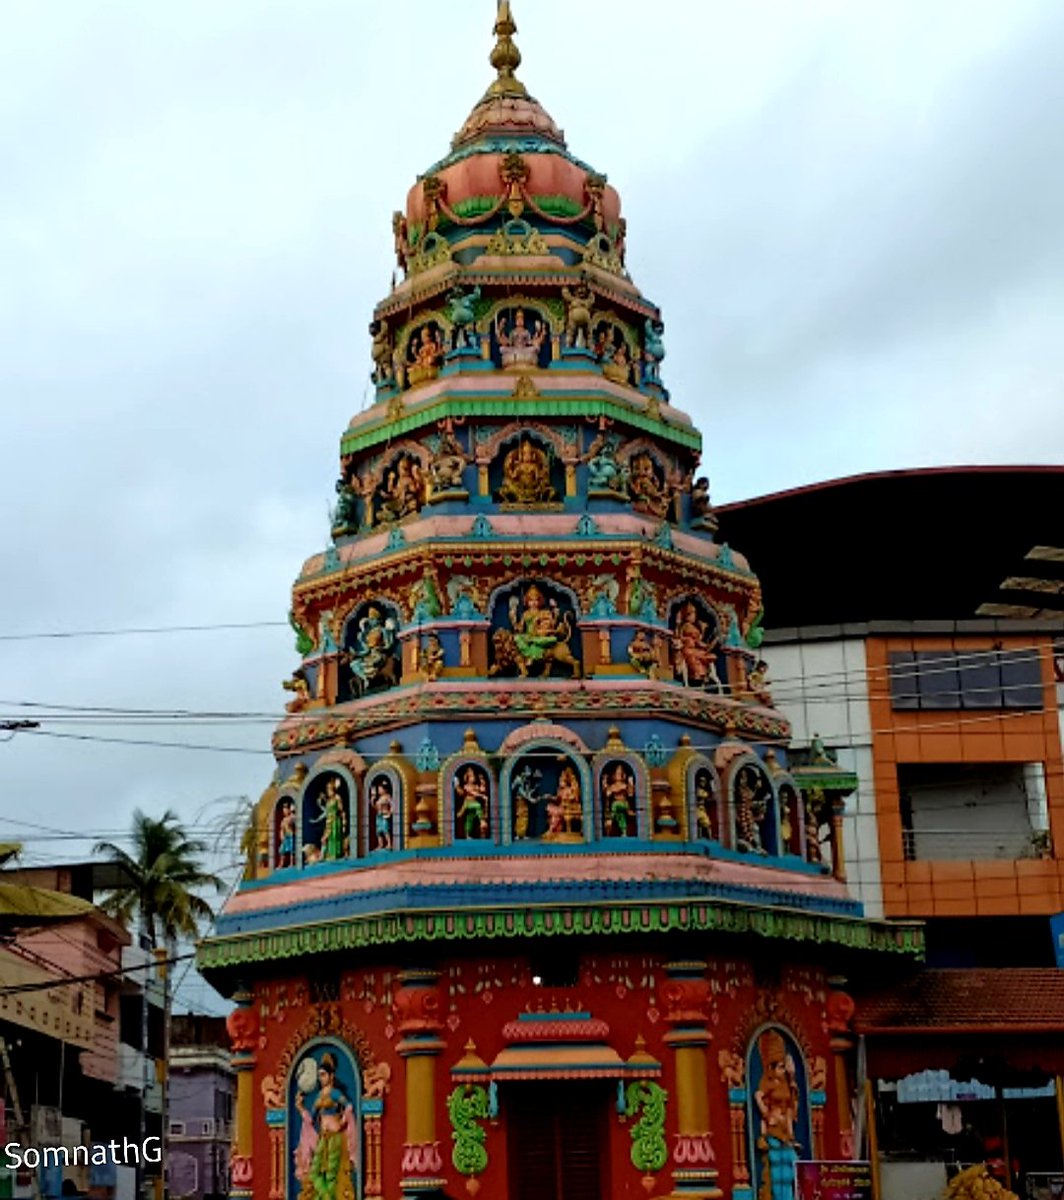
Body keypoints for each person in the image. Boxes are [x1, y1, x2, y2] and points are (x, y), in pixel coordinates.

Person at [294, 1051, 357, 1200]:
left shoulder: (335, 1093)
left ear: (331, 1076)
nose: (320, 1078)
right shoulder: (318, 1096)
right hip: (323, 1138)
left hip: (336, 1137)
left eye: (323, 1074)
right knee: (315, 1172)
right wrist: (300, 1107)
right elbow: (311, 1120)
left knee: (330, 1175)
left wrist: (342, 1122)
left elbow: (349, 1106)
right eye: (319, 1075)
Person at [277, 799, 297, 868]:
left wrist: (292, 812)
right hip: (285, 837)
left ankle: (292, 863)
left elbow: (294, 822)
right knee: (282, 851)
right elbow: (281, 829)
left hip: (291, 836)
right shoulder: (283, 820)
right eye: (283, 809)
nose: (284, 811)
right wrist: (281, 835)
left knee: (292, 850)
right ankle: (281, 864)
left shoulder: (292, 817)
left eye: (286, 808)